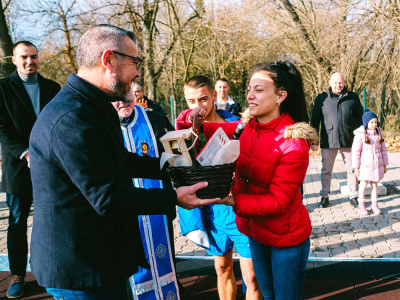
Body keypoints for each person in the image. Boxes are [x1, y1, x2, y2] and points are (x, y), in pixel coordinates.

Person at [28, 24, 218, 300]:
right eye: (135, 62)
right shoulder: (71, 118)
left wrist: (172, 165)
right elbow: (108, 198)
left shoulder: (93, 105)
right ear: (109, 60)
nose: (138, 72)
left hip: (103, 258)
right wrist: (174, 196)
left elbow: (121, 159)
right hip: (82, 269)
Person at [218, 61, 317, 299]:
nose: (250, 96)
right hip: (256, 232)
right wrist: (193, 118)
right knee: (268, 296)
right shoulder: (249, 127)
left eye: (259, 90)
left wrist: (232, 200)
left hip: (286, 238)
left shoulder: (293, 143)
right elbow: (213, 129)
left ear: (281, 96)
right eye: (249, 89)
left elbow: (278, 201)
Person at [176, 75, 262, 300]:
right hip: (211, 211)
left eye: (203, 99)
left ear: (215, 96)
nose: (198, 107)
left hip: (240, 208)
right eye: (191, 102)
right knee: (222, 268)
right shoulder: (185, 133)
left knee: (252, 277)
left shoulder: (238, 125)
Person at [0, 41, 61, 299]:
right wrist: (25, 152)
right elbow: (1, 128)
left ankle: (54, 271)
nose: (30, 61)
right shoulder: (2, 88)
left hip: (50, 167)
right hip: (18, 167)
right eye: (24, 57)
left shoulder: (53, 88)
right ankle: (17, 274)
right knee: (16, 222)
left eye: (34, 56)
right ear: (14, 60)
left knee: (54, 220)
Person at [111, 88, 180, 299]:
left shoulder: (155, 120)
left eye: (127, 96)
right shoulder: (102, 126)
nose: (123, 103)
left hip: (157, 207)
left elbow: (176, 156)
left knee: (165, 260)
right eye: (117, 99)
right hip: (124, 210)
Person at [310, 72, 363, 208]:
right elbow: (315, 120)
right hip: (328, 139)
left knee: (352, 169)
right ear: (330, 83)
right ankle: (324, 196)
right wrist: (314, 140)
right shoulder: (322, 98)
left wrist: (362, 137)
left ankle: (354, 196)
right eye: (335, 83)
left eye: (340, 83)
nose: (338, 85)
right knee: (326, 170)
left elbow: (361, 118)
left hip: (349, 139)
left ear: (344, 83)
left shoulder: (353, 97)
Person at [352, 109, 388, 215]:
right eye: (372, 122)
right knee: (363, 185)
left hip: (377, 166)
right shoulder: (360, 135)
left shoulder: (378, 135)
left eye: (376, 122)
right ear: (366, 123)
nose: (374, 124)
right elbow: (356, 152)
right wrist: (356, 167)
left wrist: (385, 164)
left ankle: (374, 204)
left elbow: (383, 150)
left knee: (375, 185)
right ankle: (361, 205)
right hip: (365, 166)